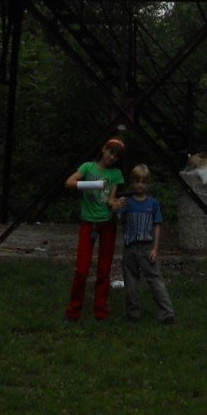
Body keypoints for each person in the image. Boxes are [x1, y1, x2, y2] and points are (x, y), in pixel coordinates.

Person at [63, 137, 125, 323]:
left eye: (116, 156)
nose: (112, 157)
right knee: (81, 270)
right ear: (103, 149)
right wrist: (93, 185)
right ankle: (73, 312)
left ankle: (101, 312)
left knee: (104, 270)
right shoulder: (87, 167)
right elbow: (69, 183)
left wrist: (115, 205)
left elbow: (110, 200)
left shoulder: (116, 174)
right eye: (110, 152)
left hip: (107, 225)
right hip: (88, 223)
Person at [120, 164, 176, 325]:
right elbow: (119, 219)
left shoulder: (153, 204)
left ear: (148, 184)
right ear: (132, 183)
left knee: (155, 280)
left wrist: (155, 248)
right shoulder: (127, 204)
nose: (140, 185)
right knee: (130, 283)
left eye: (144, 182)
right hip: (130, 248)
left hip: (147, 247)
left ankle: (167, 314)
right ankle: (133, 314)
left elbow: (157, 226)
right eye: (137, 181)